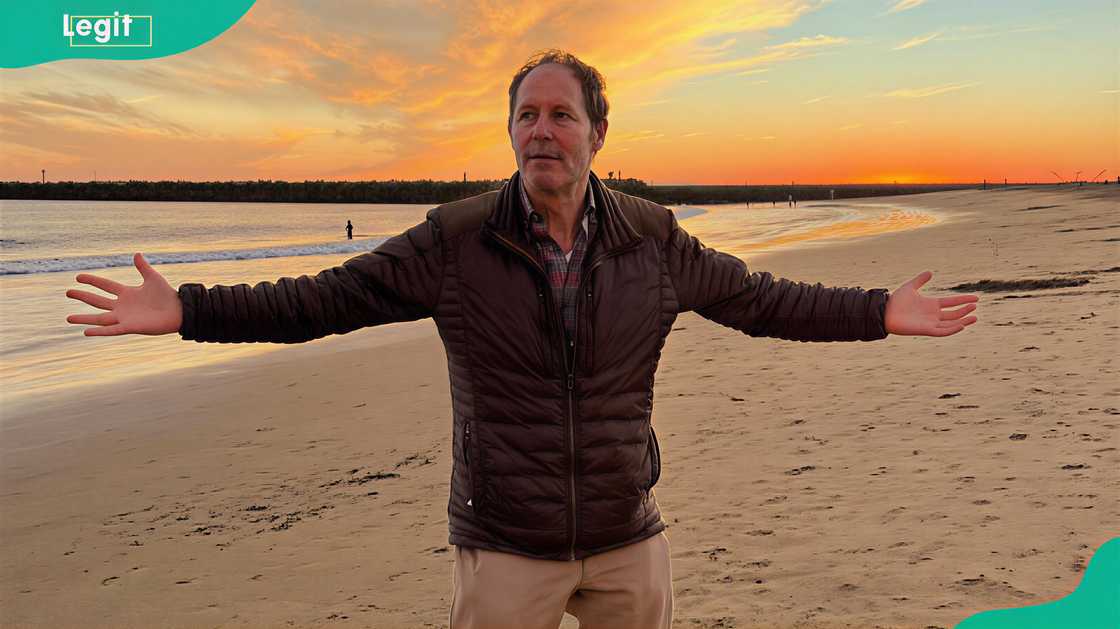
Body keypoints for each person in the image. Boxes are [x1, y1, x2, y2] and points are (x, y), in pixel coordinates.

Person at [65, 49, 979, 629]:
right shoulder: (456, 242)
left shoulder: (653, 240)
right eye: (525, 115)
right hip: (505, 546)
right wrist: (188, 307)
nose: (542, 130)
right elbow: (320, 300)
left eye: (561, 113)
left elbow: (762, 298)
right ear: (509, 131)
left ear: (598, 132)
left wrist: (876, 311)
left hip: (628, 536)